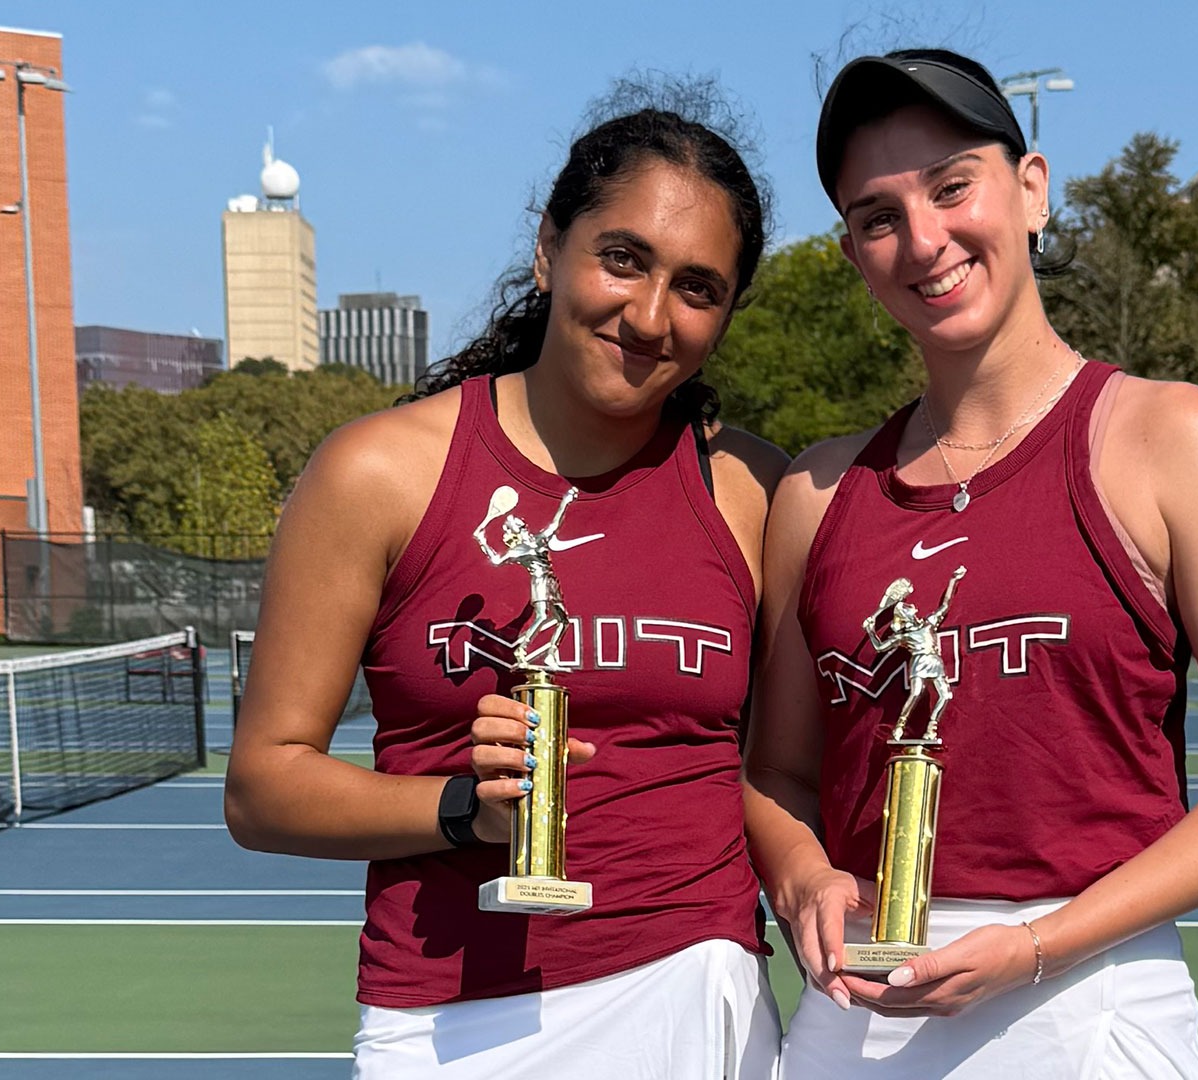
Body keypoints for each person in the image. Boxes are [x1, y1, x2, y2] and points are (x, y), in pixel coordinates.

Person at [743, 49, 1198, 1078]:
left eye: (950, 187)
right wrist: (802, 876)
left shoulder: (1169, 438)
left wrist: (1034, 948)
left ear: (1031, 191)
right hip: (857, 1021)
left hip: (1086, 999)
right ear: (852, 255)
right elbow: (779, 773)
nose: (923, 239)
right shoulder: (817, 493)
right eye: (878, 216)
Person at [224, 88, 788, 1079]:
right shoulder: (378, 473)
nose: (650, 315)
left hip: (698, 988)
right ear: (547, 250)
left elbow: (795, 770)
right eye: (623, 258)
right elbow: (263, 790)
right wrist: (460, 810)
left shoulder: (749, 489)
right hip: (451, 1023)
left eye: (698, 287)